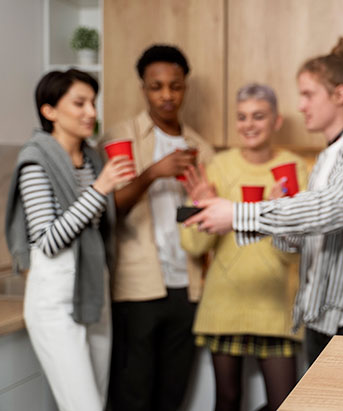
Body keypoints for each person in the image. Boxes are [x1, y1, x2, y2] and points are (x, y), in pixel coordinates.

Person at [184, 38, 343, 366]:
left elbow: (336, 208)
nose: (300, 105)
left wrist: (239, 214)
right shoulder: (326, 158)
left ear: (339, 94)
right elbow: (303, 241)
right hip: (320, 314)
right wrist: (285, 223)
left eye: (307, 95)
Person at [5, 69, 134, 410]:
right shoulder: (35, 162)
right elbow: (48, 239)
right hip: (55, 301)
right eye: (79, 103)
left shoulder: (93, 160)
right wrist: (100, 189)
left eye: (93, 102)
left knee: (97, 402)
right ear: (49, 111)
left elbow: (95, 224)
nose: (91, 112)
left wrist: (106, 187)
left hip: (94, 291)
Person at [179, 83, 308, 411]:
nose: (249, 124)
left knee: (285, 403)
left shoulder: (295, 168)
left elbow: (297, 248)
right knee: (227, 400)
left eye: (258, 116)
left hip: (276, 305)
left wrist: (279, 216)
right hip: (225, 304)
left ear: (276, 120)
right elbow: (193, 245)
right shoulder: (219, 166)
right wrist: (202, 205)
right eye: (242, 117)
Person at [100, 44, 215, 410]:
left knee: (172, 394)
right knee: (132, 394)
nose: (167, 95)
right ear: (143, 88)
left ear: (186, 87)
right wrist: (153, 173)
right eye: (156, 86)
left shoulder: (201, 148)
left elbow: (209, 223)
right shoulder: (121, 138)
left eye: (175, 86)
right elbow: (107, 211)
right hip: (136, 287)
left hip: (188, 286)